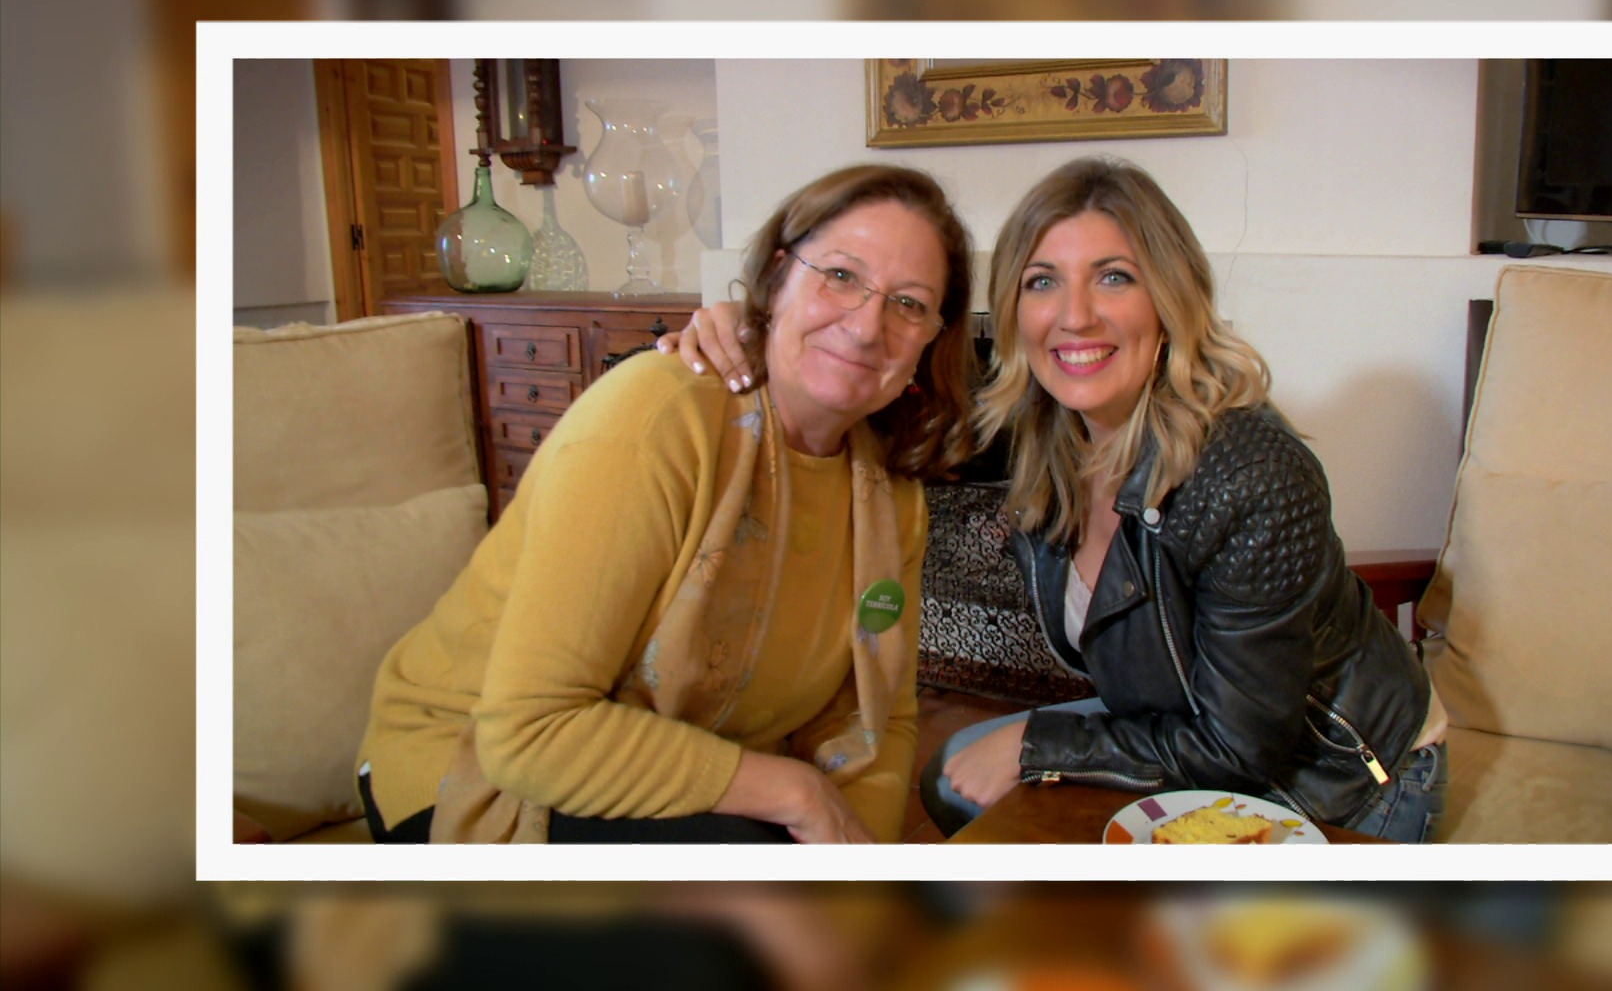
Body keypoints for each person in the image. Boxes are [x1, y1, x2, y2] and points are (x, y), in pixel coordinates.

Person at [662, 156, 1449, 843]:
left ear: (1170, 299)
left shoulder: (1249, 473)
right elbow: (861, 386)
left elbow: (1246, 749)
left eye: (1115, 277)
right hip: (1180, 723)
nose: (1074, 316)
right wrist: (755, 333)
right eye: (1043, 282)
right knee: (950, 776)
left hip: (1338, 776)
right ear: (1013, 311)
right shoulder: (1045, 423)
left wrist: (1036, 745)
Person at [356, 164, 977, 843]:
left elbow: (875, 719)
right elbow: (528, 731)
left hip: (693, 776)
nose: (865, 327)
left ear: (933, 336)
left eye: (909, 303)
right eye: (840, 275)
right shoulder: (657, 418)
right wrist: (795, 792)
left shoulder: (891, 493)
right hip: (473, 771)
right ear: (778, 278)